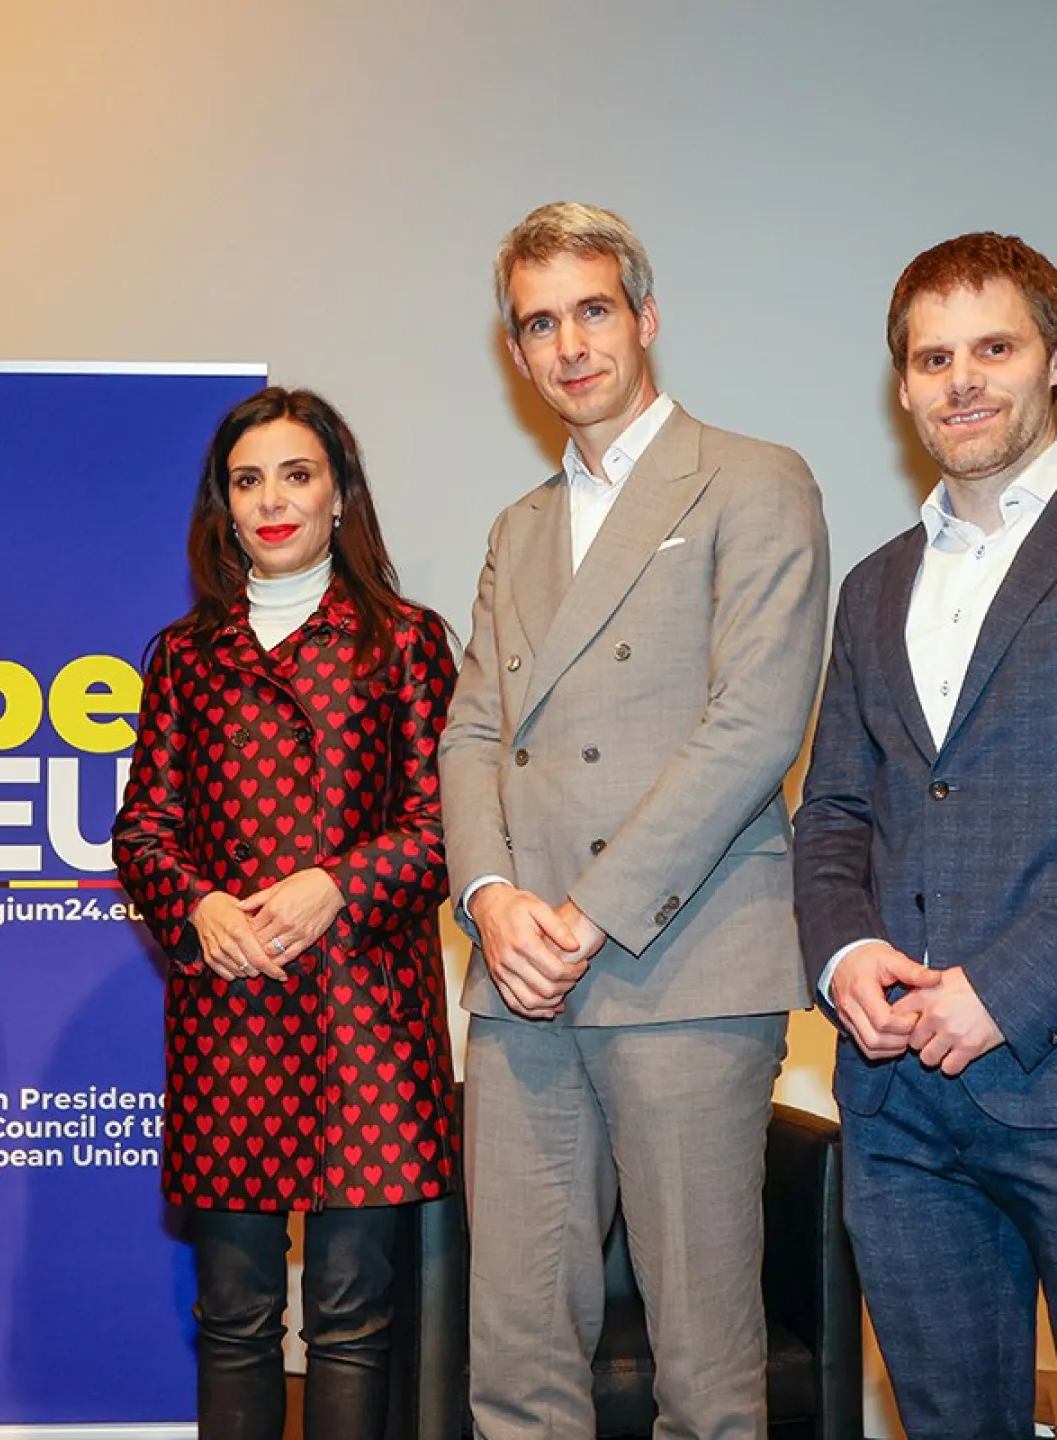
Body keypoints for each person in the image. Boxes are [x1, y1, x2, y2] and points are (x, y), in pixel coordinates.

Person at [439, 202, 830, 1439]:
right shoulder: (519, 527)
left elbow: (754, 726)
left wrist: (585, 914)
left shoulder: (755, 480)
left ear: (645, 318)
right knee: (512, 1366)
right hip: (523, 985)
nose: (569, 345)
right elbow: (472, 735)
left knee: (705, 1382)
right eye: (538, 323)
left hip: (685, 969)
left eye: (592, 310)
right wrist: (493, 903)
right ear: (516, 351)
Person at [112, 385, 458, 1440]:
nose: (273, 501)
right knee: (235, 1318)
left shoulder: (405, 641)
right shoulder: (184, 654)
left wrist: (337, 887)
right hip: (231, 1016)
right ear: (223, 504)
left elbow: (446, 827)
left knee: (354, 1322)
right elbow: (142, 832)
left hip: (369, 1022)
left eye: (296, 475)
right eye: (248, 480)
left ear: (339, 495)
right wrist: (198, 902)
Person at [794, 232, 1057, 1439]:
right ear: (901, 384)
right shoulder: (874, 585)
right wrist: (847, 957)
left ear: (1049, 358)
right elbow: (836, 809)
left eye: (994, 347)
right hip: (899, 1108)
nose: (963, 379)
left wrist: (1005, 988)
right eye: (933, 355)